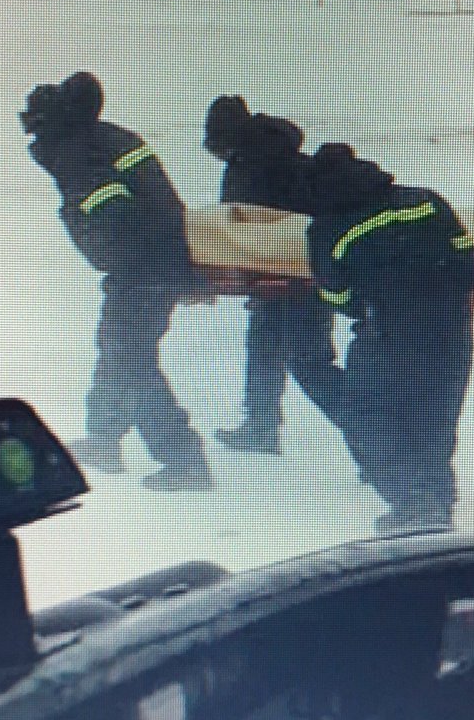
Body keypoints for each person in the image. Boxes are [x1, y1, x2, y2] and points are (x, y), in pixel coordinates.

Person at [20, 71, 213, 492]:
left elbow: (114, 214)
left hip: (141, 267)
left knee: (133, 360)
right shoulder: (108, 138)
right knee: (118, 350)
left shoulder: (77, 152)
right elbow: (157, 203)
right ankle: (104, 440)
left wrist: (119, 262)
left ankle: (184, 462)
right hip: (157, 259)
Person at [304, 143, 474, 533]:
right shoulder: (424, 201)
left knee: (364, 413)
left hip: (391, 332)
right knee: (435, 415)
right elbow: (470, 264)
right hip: (452, 326)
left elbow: (338, 295)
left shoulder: (326, 228)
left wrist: (380, 298)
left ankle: (412, 503)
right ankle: (436, 499)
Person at [202, 95, 338, 454]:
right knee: (277, 354)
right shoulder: (286, 158)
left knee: (307, 365)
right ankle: (260, 429)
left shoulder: (248, 167)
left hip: (288, 280)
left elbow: (239, 230)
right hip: (304, 276)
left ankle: (374, 437)